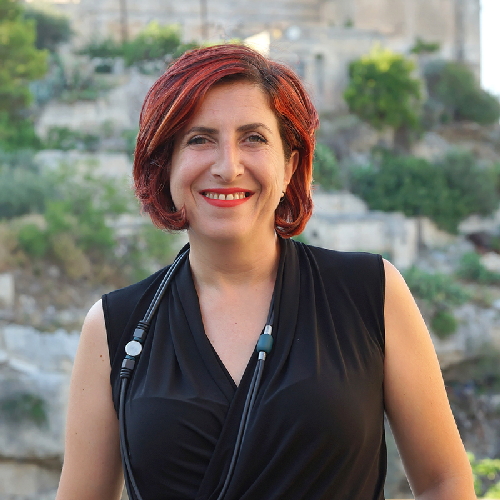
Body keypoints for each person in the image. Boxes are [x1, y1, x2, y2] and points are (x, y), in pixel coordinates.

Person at [55, 44, 476, 500]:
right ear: (166, 165)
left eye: (253, 138)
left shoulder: (371, 292)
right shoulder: (114, 326)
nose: (227, 167)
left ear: (290, 165)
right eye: (199, 139)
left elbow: (444, 482)